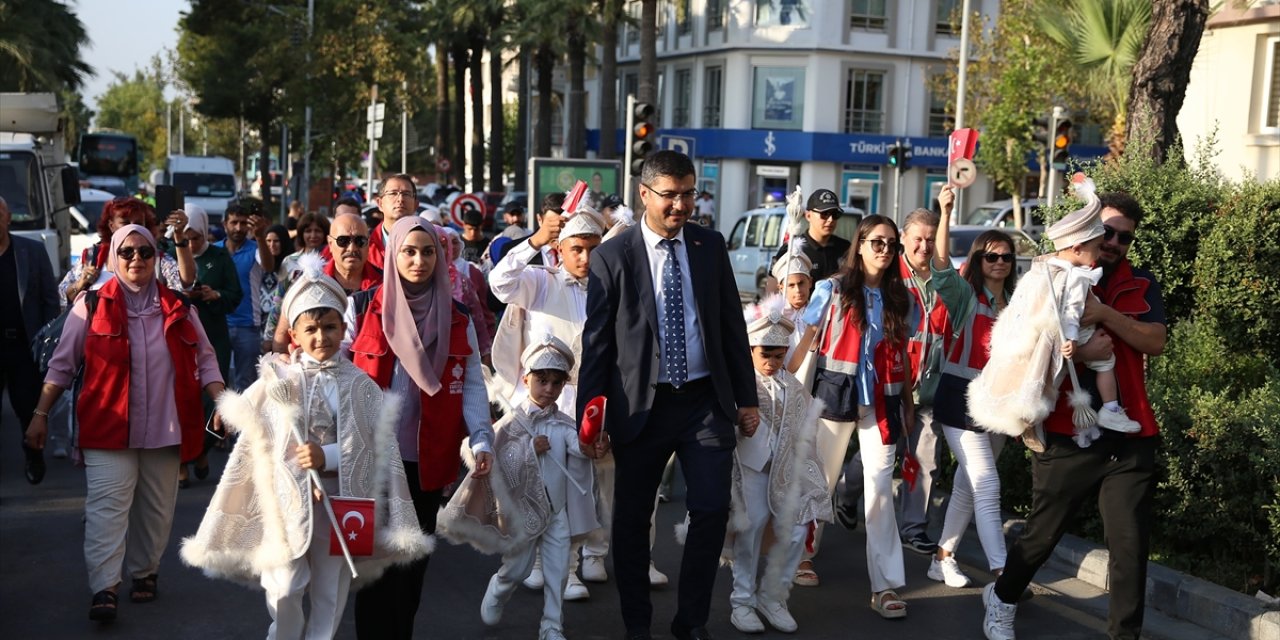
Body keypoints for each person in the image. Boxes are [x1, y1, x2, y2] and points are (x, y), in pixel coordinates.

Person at [181, 260, 430, 640]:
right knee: (285, 587)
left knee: (331, 592)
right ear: (294, 333)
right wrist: (230, 411)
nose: (321, 338)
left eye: (330, 327)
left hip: (341, 503)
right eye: (310, 329)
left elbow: (369, 447)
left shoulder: (360, 386)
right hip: (287, 503)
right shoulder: (279, 377)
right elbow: (248, 413)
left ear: (343, 328)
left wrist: (327, 457)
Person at [577, 150, 759, 640]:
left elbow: (730, 325)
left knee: (711, 510)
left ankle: (692, 621)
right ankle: (638, 623)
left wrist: (747, 396)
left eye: (688, 194)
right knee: (633, 521)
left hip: (704, 403)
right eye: (670, 195)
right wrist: (589, 418)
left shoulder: (709, 245)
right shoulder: (612, 257)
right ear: (645, 194)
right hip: (641, 407)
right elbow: (596, 344)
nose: (681, 206)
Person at [979, 189, 1166, 640]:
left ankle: (1125, 636)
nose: (1114, 243)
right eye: (1107, 233)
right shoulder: (1051, 278)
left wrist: (1107, 315)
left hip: (1131, 431)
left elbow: (1155, 341)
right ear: (1088, 232)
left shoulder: (1141, 282)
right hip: (1069, 432)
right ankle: (1002, 598)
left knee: (1129, 547)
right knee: (1043, 534)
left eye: (1124, 237)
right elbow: (1023, 351)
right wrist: (1083, 349)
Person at [25, 225, 225, 622]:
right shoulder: (92, 303)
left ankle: (144, 572)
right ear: (114, 257)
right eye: (128, 252)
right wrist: (40, 414)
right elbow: (62, 364)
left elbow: (206, 359)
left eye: (146, 253)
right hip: (107, 427)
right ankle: (105, 586)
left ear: (155, 258)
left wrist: (223, 404)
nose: (137, 260)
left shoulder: (180, 308)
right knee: (106, 510)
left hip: (167, 429)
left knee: (156, 510)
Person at [347, 217, 496, 640]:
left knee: (411, 569)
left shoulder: (458, 315)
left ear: (440, 256)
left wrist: (481, 436)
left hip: (427, 459)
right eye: (408, 251)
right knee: (375, 568)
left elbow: (470, 384)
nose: (418, 260)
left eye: (427, 251)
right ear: (393, 254)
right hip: (372, 459)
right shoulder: (363, 308)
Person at [442, 335, 598, 640]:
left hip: (557, 513)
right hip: (524, 512)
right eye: (542, 381)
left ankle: (552, 625)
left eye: (556, 383)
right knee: (519, 569)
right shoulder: (512, 422)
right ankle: (500, 587)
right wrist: (529, 449)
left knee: (558, 572)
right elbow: (493, 459)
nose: (549, 390)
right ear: (526, 379)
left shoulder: (564, 423)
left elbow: (578, 448)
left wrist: (593, 446)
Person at [803, 214, 917, 619]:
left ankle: (884, 585)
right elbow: (804, 343)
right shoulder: (830, 290)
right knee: (821, 479)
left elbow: (902, 355)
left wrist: (907, 403)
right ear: (862, 244)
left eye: (892, 245)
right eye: (878, 243)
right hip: (835, 394)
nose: (885, 251)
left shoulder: (902, 299)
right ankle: (802, 553)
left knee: (881, 489)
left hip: (882, 402)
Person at [837, 206, 948, 559]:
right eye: (918, 239)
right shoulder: (890, 278)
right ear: (905, 240)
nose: (925, 247)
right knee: (878, 461)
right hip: (883, 388)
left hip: (924, 388)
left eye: (931, 240)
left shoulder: (944, 280)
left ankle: (913, 529)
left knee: (924, 458)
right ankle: (846, 492)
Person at [926, 185, 1016, 589]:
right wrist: (945, 212)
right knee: (987, 483)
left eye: (1006, 257)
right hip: (959, 401)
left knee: (967, 486)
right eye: (990, 256)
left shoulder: (1015, 303)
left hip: (1000, 406)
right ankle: (1002, 572)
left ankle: (942, 556)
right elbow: (941, 263)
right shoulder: (964, 296)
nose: (999, 262)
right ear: (979, 260)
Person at [727, 297, 831, 635]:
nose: (772, 362)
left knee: (797, 528)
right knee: (751, 527)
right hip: (750, 471)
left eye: (778, 354)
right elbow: (721, 423)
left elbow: (805, 434)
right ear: (750, 351)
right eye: (764, 354)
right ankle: (741, 600)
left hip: (785, 472)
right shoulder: (739, 385)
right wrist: (738, 424)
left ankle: (772, 596)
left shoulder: (794, 387)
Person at [180, 204, 244, 486]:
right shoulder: (172, 254)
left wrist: (214, 294)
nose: (192, 243)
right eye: (186, 237)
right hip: (181, 338)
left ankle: (202, 450)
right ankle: (182, 462)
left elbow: (235, 294)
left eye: (196, 237)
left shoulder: (219, 257)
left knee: (211, 399)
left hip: (213, 334)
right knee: (183, 399)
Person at [0, 196, 59, 482]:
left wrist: (46, 340)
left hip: (23, 346)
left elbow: (50, 299)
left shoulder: (31, 252)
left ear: (8, 217)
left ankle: (33, 454)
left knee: (28, 408)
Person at [59, 197, 190, 304]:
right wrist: (81, 283)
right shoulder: (92, 257)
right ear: (111, 226)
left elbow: (185, 283)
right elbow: (62, 296)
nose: (132, 228)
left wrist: (179, 236)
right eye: (125, 223)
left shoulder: (155, 258)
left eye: (138, 223)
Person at [216, 202, 274, 391]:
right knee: (217, 380)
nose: (238, 228)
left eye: (242, 223)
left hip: (247, 326)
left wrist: (260, 237)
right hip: (219, 324)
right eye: (233, 223)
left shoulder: (256, 249)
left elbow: (268, 266)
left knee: (246, 385)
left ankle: (242, 421)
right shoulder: (214, 251)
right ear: (224, 224)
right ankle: (216, 420)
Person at [768, 189, 851, 292]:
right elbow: (771, 291)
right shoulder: (792, 248)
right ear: (808, 215)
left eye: (835, 214)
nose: (830, 220)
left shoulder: (846, 248)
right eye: (824, 214)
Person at [365, 174, 421, 273]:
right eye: (393, 193)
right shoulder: (364, 244)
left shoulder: (431, 242)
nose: (400, 199)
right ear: (380, 203)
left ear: (416, 205)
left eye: (407, 194)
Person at [259, 223, 293, 352]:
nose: (272, 245)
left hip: (281, 329)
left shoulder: (291, 267)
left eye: (276, 241)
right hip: (256, 327)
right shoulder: (258, 266)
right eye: (268, 241)